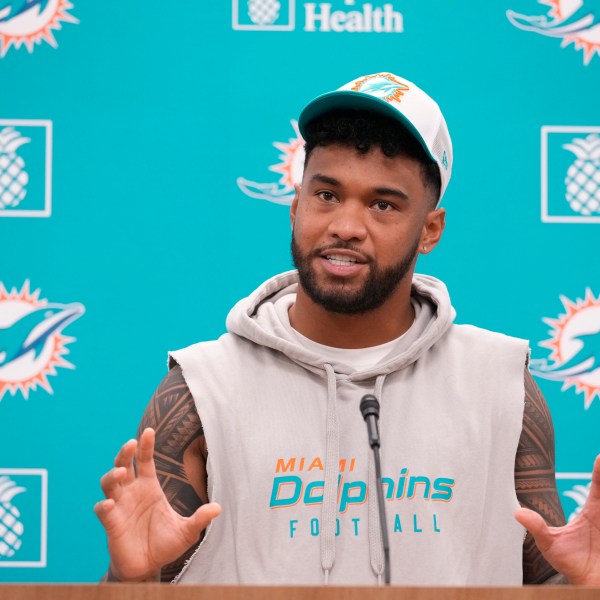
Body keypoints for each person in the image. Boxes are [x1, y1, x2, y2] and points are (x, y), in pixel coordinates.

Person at [95, 72, 600, 586]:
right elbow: (143, 577)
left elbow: (547, 586)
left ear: (430, 230)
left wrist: (589, 584)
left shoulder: (500, 383)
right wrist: (128, 580)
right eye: (327, 195)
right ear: (295, 207)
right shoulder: (201, 389)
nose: (345, 226)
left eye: (382, 204)